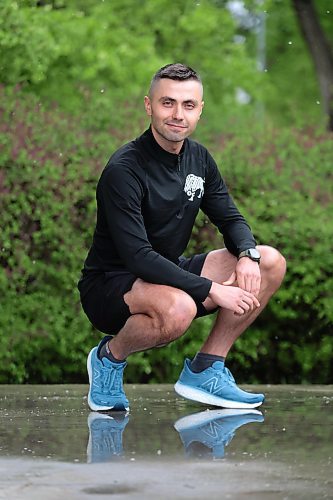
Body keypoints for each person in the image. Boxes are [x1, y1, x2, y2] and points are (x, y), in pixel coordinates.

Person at [78, 63, 286, 413]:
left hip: (168, 274)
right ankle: (109, 358)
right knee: (180, 308)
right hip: (112, 285)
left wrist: (248, 255)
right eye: (167, 103)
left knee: (269, 261)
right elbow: (138, 257)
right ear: (149, 106)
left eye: (188, 105)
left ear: (200, 109)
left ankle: (206, 369)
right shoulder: (123, 170)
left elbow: (231, 218)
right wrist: (212, 290)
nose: (178, 114)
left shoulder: (199, 158)